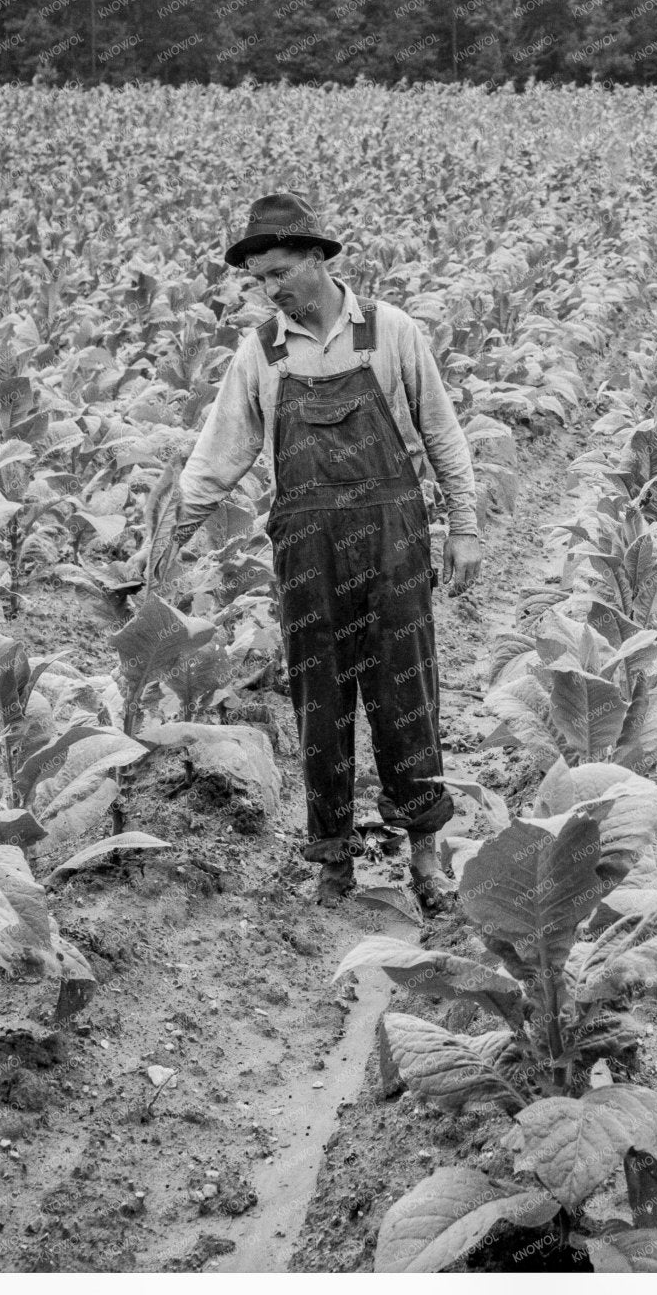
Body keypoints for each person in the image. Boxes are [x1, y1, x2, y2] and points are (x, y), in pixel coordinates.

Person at [172, 192, 483, 912]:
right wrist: (164, 546)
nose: (269, 289)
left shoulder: (390, 332)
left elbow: (442, 435)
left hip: (391, 538)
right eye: (258, 279)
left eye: (279, 271)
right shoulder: (261, 353)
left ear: (317, 259)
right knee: (321, 701)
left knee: (407, 694)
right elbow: (215, 460)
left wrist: (464, 527)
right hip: (309, 549)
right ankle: (332, 859)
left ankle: (426, 857)